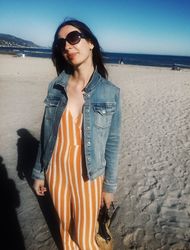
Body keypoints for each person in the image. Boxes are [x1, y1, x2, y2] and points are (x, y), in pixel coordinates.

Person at [32, 18, 121, 250]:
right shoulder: (56, 86)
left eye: (73, 38)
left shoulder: (109, 92)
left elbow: (112, 143)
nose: (67, 46)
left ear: (90, 42)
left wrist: (109, 187)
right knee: (65, 232)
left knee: (85, 237)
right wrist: (39, 173)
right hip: (56, 172)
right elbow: (46, 132)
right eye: (61, 43)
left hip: (89, 177)